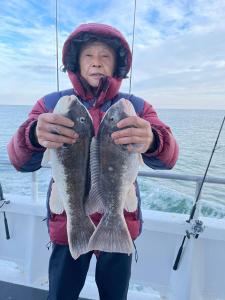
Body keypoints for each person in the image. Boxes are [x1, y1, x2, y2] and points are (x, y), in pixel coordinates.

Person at [7, 23, 179, 300]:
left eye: (105, 56)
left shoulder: (136, 107)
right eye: (89, 55)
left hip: (120, 221)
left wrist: (154, 140)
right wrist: (32, 135)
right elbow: (19, 160)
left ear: (117, 65)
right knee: (61, 295)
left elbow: (169, 157)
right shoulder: (51, 104)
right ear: (76, 62)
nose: (97, 62)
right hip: (69, 223)